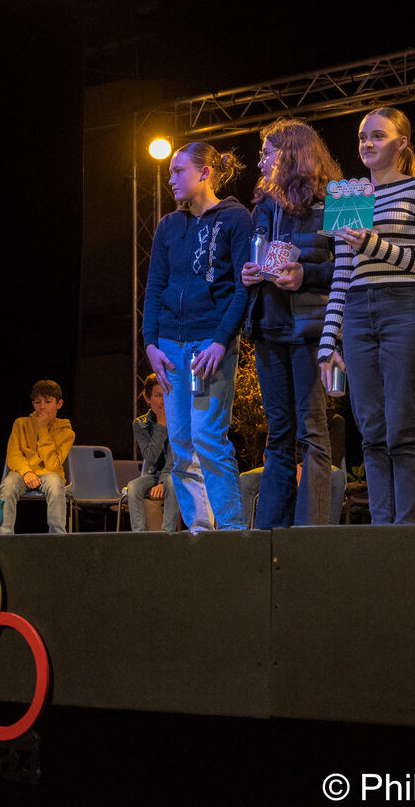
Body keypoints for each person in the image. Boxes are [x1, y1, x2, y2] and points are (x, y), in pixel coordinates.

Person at [320, 107, 415, 524]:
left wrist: (374, 245)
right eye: (362, 137)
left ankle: (406, 527)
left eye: (378, 136)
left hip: (405, 308)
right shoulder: (350, 197)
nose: (367, 144)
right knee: (371, 428)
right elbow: (341, 273)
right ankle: (381, 527)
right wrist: (328, 342)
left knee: (401, 428)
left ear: (402, 143)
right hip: (357, 311)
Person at [142, 141, 251, 531]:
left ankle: (234, 530)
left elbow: (244, 287)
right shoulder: (170, 224)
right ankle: (201, 529)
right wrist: (150, 343)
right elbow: (154, 285)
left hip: (207, 346)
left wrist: (221, 341)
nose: (170, 178)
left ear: (205, 173)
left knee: (207, 436)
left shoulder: (236, 219)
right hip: (170, 346)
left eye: (178, 171)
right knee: (182, 444)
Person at [240, 118, 340, 528]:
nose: (260, 160)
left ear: (291, 152)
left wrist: (307, 274)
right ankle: (269, 535)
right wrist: (250, 274)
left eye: (267, 151)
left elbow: (352, 266)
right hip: (269, 326)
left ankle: (308, 533)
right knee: (277, 436)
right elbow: (260, 256)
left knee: (313, 433)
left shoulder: (336, 197)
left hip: (311, 330)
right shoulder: (264, 205)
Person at [0, 380, 75, 535]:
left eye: (47, 402)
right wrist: (27, 472)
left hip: (50, 473)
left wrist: (42, 430)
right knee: (8, 484)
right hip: (23, 473)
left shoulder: (66, 431)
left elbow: (53, 465)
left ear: (59, 404)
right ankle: (4, 535)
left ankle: (57, 536)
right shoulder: (21, 424)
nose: (42, 407)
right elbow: (13, 455)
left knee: (55, 484)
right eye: (38, 402)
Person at [127, 373, 179, 532]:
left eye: (167, 394)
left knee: (171, 483)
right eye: (158, 395)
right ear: (148, 399)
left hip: (176, 472)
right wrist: (161, 427)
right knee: (133, 486)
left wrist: (163, 481)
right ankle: (140, 534)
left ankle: (166, 533)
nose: (163, 401)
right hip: (153, 473)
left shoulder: (179, 420)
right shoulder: (140, 424)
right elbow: (150, 458)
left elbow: (175, 456)